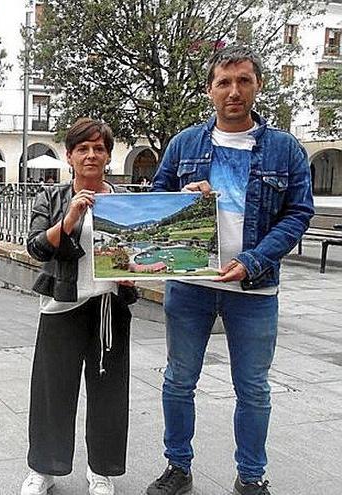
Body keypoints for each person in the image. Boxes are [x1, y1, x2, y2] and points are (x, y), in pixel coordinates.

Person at [145, 45, 314, 495]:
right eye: (224, 82)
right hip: (190, 282)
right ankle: (177, 467)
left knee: (254, 388)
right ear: (209, 90)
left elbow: (298, 214)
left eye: (243, 81)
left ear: (258, 85)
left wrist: (253, 261)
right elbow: (157, 197)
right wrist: (185, 195)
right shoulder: (185, 144)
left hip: (255, 288)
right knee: (179, 380)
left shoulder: (285, 149)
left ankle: (251, 476)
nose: (234, 91)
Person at [20, 118, 137, 495]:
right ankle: (44, 468)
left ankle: (100, 471)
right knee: (52, 392)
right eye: (82, 148)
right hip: (61, 305)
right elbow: (36, 247)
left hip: (108, 308)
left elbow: (138, 252)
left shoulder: (122, 201)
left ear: (107, 155)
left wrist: (134, 274)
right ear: (69, 156)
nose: (91, 155)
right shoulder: (51, 198)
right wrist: (68, 219)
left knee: (108, 392)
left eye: (99, 148)